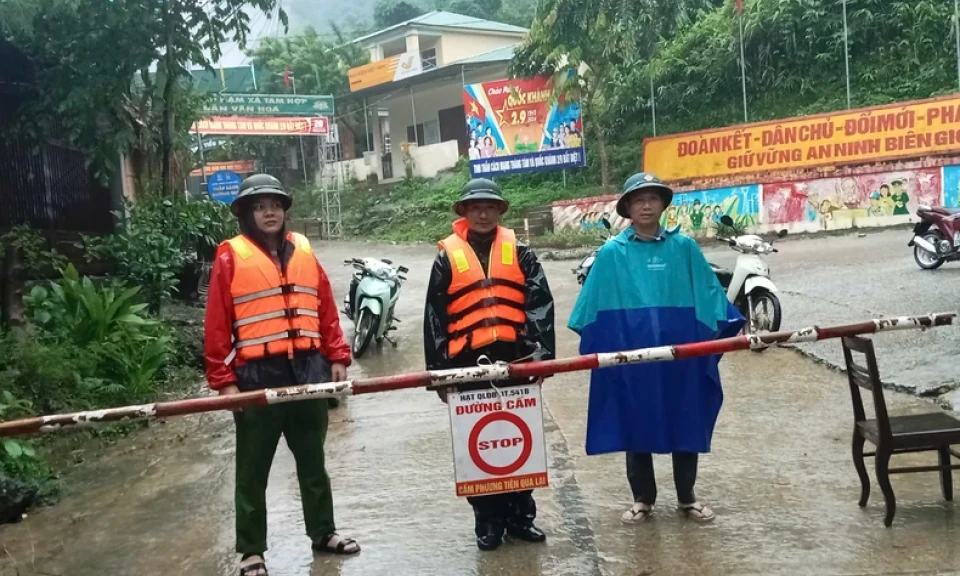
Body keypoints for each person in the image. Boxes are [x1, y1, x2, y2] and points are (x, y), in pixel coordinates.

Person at [204, 174, 360, 576]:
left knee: (313, 462)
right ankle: (252, 551)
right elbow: (218, 325)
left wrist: (337, 355)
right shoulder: (229, 256)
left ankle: (324, 532)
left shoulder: (305, 251)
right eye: (259, 206)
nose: (269, 211)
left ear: (285, 210)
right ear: (246, 214)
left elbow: (324, 307)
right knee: (252, 469)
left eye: (275, 204)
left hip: (308, 370)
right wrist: (224, 380)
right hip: (257, 375)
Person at [568, 172, 744, 526]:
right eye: (638, 199)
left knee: (685, 418)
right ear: (628, 208)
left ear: (663, 204)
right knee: (636, 422)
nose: (646, 205)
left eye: (652, 198)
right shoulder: (611, 254)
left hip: (682, 357)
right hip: (632, 358)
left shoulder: (685, 249)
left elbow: (712, 300)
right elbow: (589, 312)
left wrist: (715, 335)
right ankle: (642, 498)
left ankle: (687, 497)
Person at [423, 178, 556, 551]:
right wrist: (440, 374)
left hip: (516, 359)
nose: (482, 213)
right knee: (478, 446)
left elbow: (539, 305)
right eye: (475, 207)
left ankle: (520, 517)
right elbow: (436, 316)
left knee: (519, 442)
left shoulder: (521, 253)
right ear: (463, 213)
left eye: (490, 206)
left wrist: (541, 358)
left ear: (500, 211)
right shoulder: (446, 258)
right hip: (467, 362)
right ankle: (488, 521)